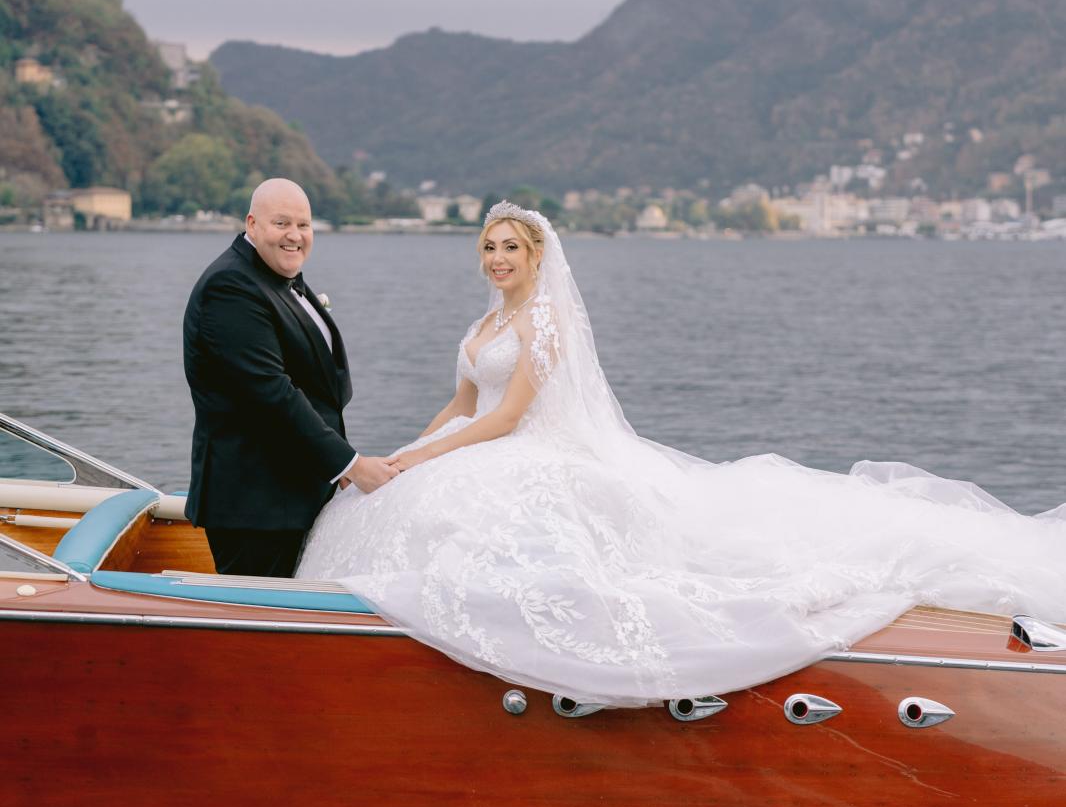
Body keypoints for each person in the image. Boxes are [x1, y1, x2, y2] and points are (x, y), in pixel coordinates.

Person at [296, 200, 1066, 705]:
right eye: (488, 248)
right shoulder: (484, 325)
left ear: (536, 257)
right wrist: (409, 452)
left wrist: (433, 460)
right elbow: (464, 405)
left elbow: (510, 418)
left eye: (510, 248)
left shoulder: (543, 326)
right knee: (386, 498)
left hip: (526, 450)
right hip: (473, 443)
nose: (497, 259)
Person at [183, 177, 396, 578]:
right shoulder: (230, 286)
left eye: (304, 225)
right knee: (256, 625)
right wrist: (350, 465)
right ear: (252, 224)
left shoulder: (275, 274)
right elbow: (271, 393)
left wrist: (336, 465)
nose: (295, 236)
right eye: (282, 223)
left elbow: (316, 387)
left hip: (294, 494)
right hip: (255, 504)